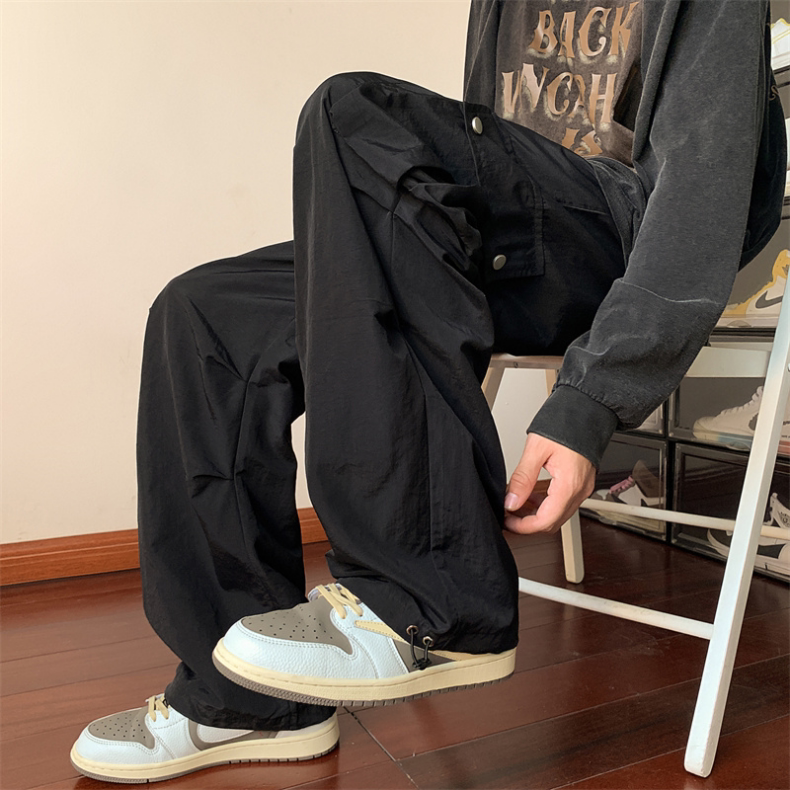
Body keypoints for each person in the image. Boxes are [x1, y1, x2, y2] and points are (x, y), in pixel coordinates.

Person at [70, 1, 786, 784]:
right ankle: (245, 703)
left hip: (621, 233)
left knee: (355, 111)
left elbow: (701, 193)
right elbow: (492, 147)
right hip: (512, 235)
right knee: (204, 312)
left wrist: (591, 398)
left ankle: (432, 597)